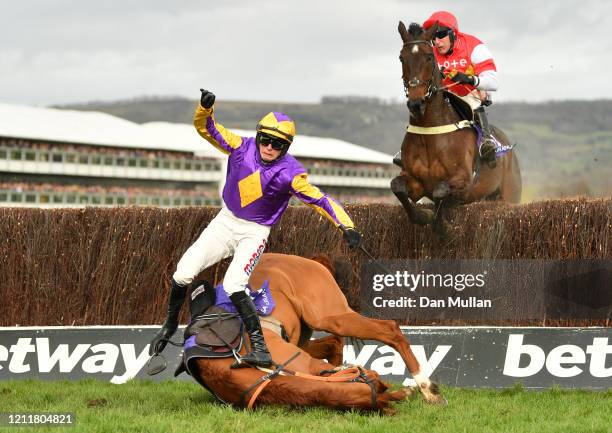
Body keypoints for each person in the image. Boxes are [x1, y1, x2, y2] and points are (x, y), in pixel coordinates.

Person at [149, 89, 362, 368]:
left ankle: (259, 346)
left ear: (286, 148)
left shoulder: (291, 173)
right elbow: (206, 128)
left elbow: (320, 200)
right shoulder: (239, 145)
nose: (270, 147)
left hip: (255, 232)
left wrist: (346, 226)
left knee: (235, 284)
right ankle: (168, 326)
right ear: (258, 135)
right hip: (225, 222)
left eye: (278, 144)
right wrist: (205, 108)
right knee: (182, 273)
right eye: (266, 140)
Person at [424, 10, 499, 168]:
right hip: (444, 96)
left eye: (441, 35)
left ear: (453, 34)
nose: (436, 42)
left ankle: (487, 142)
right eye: (433, 37)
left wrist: (469, 79)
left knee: (473, 100)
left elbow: (493, 82)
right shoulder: (431, 52)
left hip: (470, 93)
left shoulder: (474, 46)